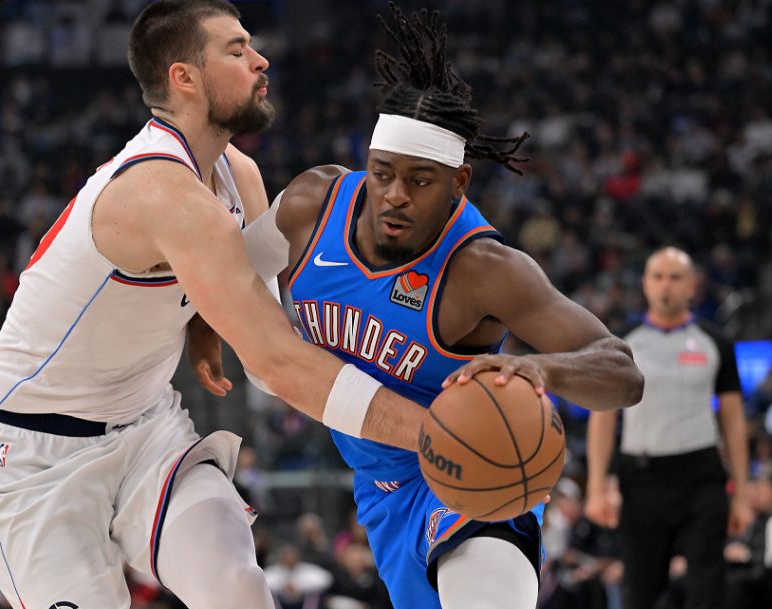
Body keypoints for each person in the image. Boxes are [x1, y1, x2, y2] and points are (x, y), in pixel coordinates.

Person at [0, 2, 452, 608]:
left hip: (146, 428)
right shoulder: (161, 192)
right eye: (237, 50)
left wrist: (202, 322)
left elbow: (261, 320)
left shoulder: (237, 173)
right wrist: (440, 433)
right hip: (31, 457)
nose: (260, 60)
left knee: (238, 588)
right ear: (184, 77)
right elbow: (276, 365)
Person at [191, 5, 643, 608]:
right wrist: (205, 325)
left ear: (458, 184)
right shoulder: (312, 204)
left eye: (421, 181)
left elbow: (623, 372)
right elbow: (236, 271)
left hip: (476, 464)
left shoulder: (485, 269)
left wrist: (542, 369)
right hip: (378, 486)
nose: (395, 196)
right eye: (382, 174)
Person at [586, 246, 753, 609]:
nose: (666, 285)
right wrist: (596, 486)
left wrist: (741, 493)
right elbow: (603, 416)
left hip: (701, 476)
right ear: (645, 284)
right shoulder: (621, 342)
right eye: (658, 277)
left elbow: (733, 421)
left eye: (675, 277)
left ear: (692, 285)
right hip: (641, 479)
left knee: (707, 591)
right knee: (640, 593)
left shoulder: (715, 342)